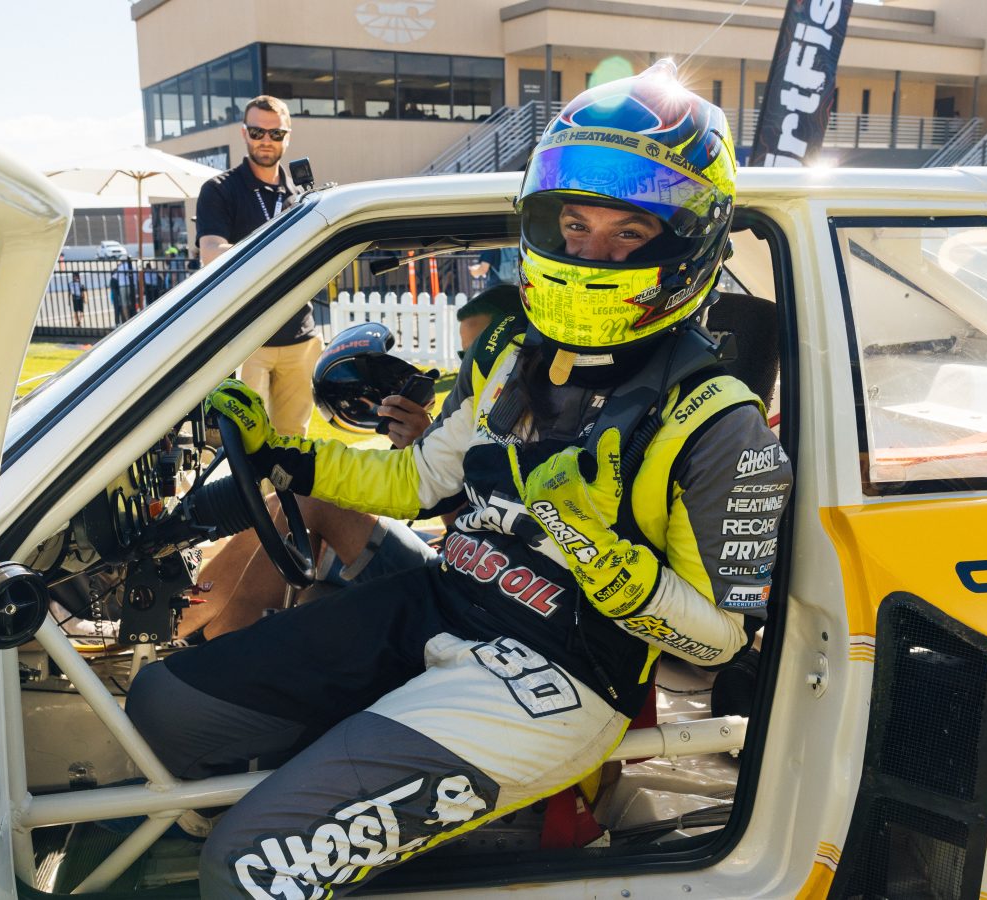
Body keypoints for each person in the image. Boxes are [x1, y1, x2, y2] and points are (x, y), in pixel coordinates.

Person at [127, 60, 791, 897]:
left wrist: (608, 562)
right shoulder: (513, 352)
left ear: (687, 241)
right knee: (163, 709)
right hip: (447, 598)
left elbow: (720, 639)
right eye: (573, 223)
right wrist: (286, 455)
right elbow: (419, 481)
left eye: (628, 232)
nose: (589, 252)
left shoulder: (721, 422)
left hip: (564, 673)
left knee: (249, 869)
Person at [180, 292, 519, 642]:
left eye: (484, 351)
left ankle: (214, 644)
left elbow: (468, 528)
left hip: (473, 585)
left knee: (311, 501)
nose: (474, 365)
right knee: (280, 503)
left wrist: (427, 454)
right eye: (466, 356)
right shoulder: (479, 411)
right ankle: (179, 625)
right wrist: (424, 447)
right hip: (455, 557)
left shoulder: (520, 425)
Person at [195, 95, 321, 437]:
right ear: (244, 133)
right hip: (246, 338)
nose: (266, 140)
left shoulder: (303, 196)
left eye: (275, 133)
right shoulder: (220, 190)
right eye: (257, 132)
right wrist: (274, 252)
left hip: (300, 335)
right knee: (244, 441)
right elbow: (211, 252)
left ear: (287, 136)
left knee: (294, 441)